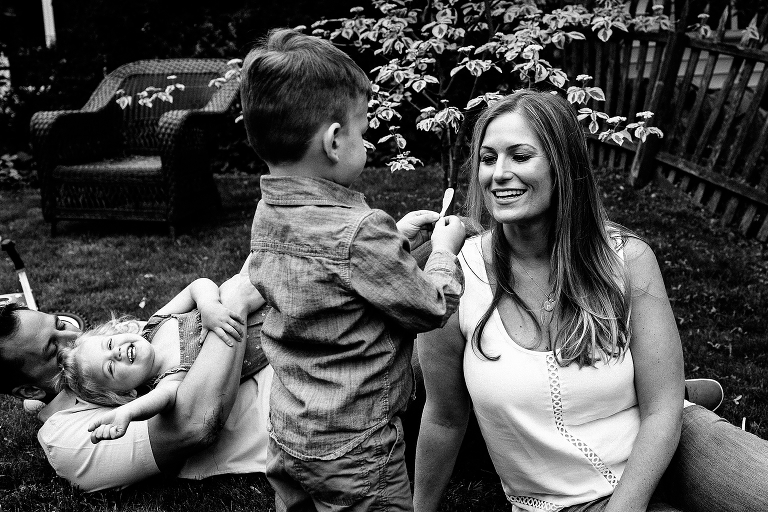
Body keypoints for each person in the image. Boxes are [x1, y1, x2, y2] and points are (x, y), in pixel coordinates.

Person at [413, 90, 768, 512]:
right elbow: (444, 417)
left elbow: (661, 409)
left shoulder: (626, 258)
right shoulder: (454, 278)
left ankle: (682, 390)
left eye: (520, 156)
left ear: (562, 166)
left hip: (675, 441)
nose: (499, 173)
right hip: (566, 500)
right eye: (488, 159)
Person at [241, 28, 466, 511]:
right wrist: (444, 251)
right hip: (356, 445)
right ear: (334, 140)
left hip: (289, 429)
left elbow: (325, 276)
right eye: (362, 131)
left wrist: (395, 240)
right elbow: (429, 306)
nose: (366, 141)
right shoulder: (361, 230)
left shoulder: (269, 211)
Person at [0, 262, 274, 492]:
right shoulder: (68, 438)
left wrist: (219, 300)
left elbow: (179, 310)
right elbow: (194, 425)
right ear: (29, 390)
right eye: (55, 352)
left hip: (258, 316)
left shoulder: (114, 352)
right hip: (278, 382)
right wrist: (235, 302)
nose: (74, 336)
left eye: (60, 323)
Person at [55, 277, 266, 443]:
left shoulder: (156, 324)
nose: (116, 353)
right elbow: (161, 400)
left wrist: (208, 304)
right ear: (127, 393)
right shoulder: (168, 380)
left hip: (255, 296)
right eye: (110, 367)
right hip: (270, 337)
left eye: (109, 344)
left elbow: (197, 286)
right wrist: (127, 413)